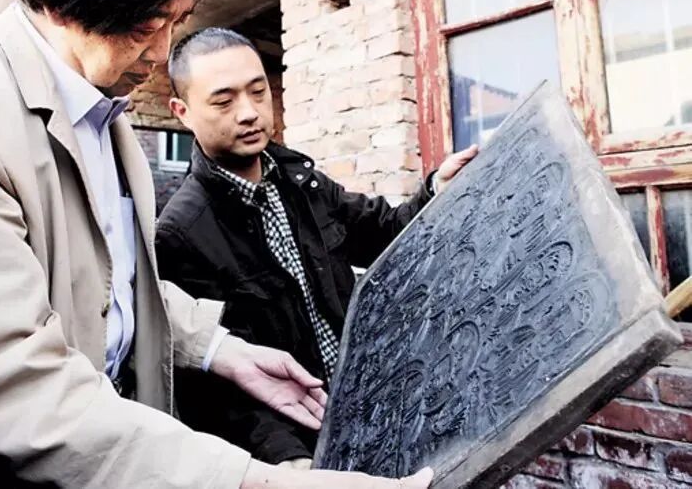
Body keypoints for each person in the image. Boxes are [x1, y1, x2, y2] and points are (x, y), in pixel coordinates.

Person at [0, 0, 433, 489]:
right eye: (145, 26)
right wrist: (263, 481)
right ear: (63, 6)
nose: (160, 54)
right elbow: (12, 386)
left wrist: (220, 350)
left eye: (175, 22)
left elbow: (109, 288)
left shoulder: (103, 112)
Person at [155, 27, 478, 466]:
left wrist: (437, 188)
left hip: (375, 411)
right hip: (305, 452)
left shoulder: (301, 182)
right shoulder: (181, 232)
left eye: (258, 92)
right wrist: (290, 461)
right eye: (224, 101)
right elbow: (218, 389)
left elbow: (384, 232)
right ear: (182, 112)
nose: (249, 113)